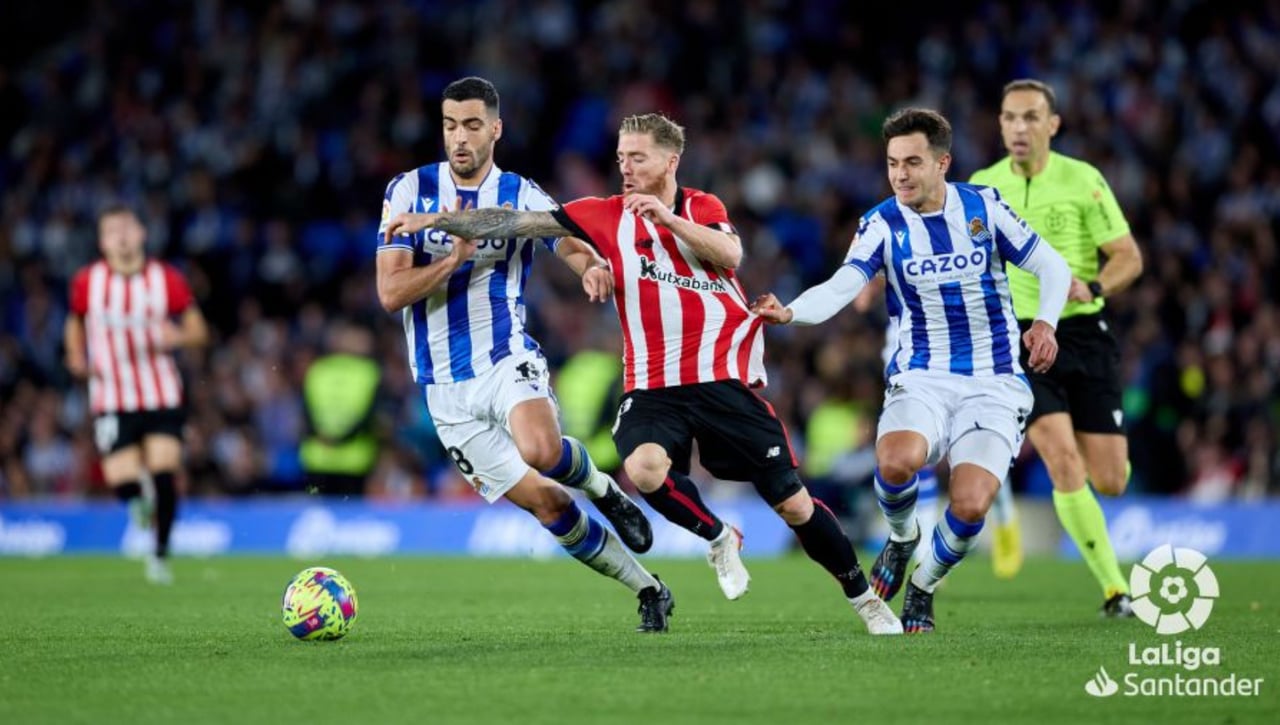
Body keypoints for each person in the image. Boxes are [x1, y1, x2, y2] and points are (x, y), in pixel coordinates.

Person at [387, 112, 904, 635]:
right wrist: (435, 223)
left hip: (721, 378)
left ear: (670, 161)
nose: (625, 168)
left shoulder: (701, 206)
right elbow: (516, 223)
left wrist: (667, 219)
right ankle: (719, 537)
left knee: (794, 506)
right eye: (620, 158)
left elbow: (730, 253)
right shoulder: (606, 214)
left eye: (637, 158)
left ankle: (865, 599)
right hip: (654, 385)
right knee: (645, 469)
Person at [751, 108, 1072, 632]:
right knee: (897, 462)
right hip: (922, 373)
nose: (900, 174)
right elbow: (844, 283)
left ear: (943, 163)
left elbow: (1051, 266)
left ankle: (923, 586)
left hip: (993, 380)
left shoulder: (983, 209)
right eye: (892, 163)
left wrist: (1047, 324)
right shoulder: (882, 222)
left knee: (970, 505)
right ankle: (902, 540)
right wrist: (790, 311)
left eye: (913, 162)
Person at [374, 77, 668, 632]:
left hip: (505, 357)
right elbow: (391, 293)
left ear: (496, 129)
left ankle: (605, 489)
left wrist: (592, 268)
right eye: (449, 125)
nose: (459, 138)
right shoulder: (407, 191)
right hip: (443, 389)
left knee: (540, 448)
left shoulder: (519, 193)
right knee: (549, 506)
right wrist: (451, 262)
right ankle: (649, 588)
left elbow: (567, 239)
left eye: (472, 125)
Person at [970, 79, 1144, 615]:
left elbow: (1128, 257)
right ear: (1000, 125)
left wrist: (1093, 287)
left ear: (1052, 125)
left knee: (1111, 479)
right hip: (1020, 337)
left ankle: (1095, 523)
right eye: (1009, 118)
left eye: (1030, 117)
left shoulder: (1083, 180)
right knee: (1061, 460)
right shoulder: (981, 186)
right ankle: (1116, 589)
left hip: (1084, 332)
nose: (1018, 128)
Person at [64, 203, 210, 584]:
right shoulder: (87, 282)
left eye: (128, 228)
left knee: (164, 470)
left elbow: (198, 330)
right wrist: (76, 356)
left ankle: (160, 556)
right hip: (112, 395)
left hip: (160, 390)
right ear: (102, 241)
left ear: (142, 234)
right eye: (113, 231)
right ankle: (139, 501)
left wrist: (178, 336)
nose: (122, 236)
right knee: (122, 480)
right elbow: (75, 323)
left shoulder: (167, 279)